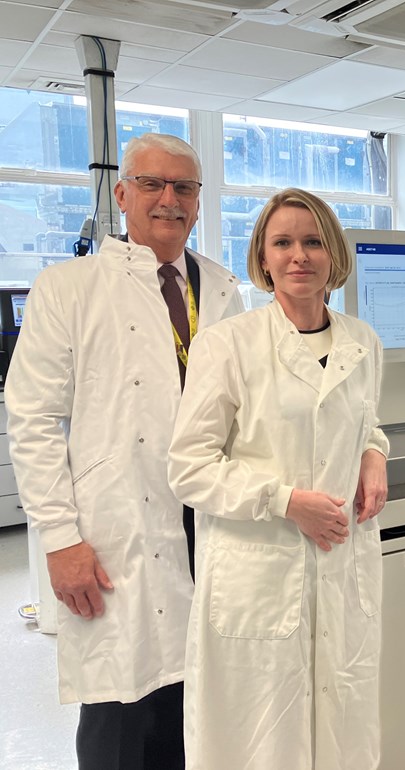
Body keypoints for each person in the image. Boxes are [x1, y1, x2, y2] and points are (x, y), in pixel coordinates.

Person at [6, 132, 244, 769]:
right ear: (122, 193)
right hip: (116, 527)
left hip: (208, 518)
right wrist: (59, 539)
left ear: (198, 201)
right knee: (118, 709)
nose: (169, 199)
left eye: (184, 187)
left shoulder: (222, 289)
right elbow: (31, 417)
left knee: (191, 700)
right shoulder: (68, 288)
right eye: (152, 184)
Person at [168, 187, 389, 769]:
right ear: (262, 258)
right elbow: (189, 468)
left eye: (313, 241)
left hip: (341, 571)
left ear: (334, 254)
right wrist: (285, 501)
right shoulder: (228, 345)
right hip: (259, 573)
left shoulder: (363, 342)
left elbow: (366, 425)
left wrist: (374, 455)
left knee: (340, 732)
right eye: (283, 242)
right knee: (261, 742)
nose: (300, 255)